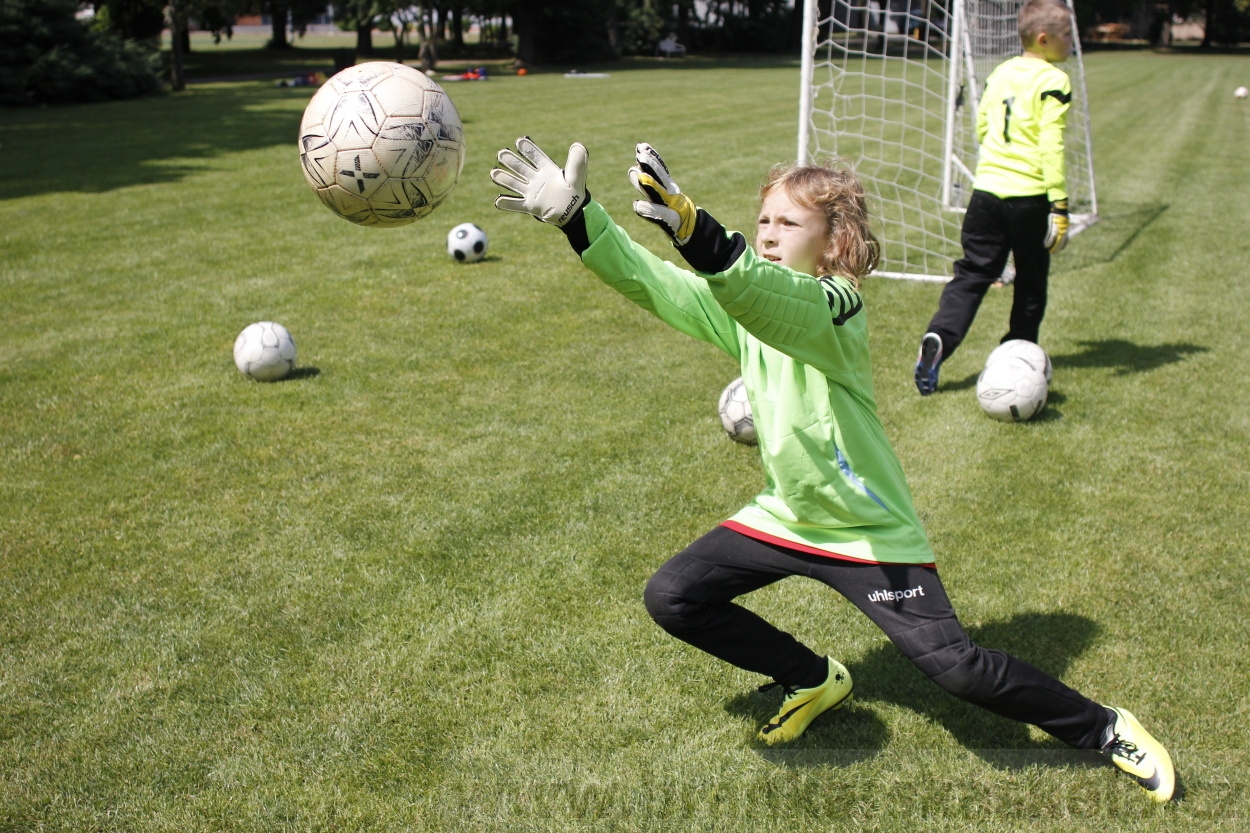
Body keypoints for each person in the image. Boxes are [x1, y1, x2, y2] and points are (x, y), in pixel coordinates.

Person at [489, 137, 1176, 803]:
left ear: (834, 241)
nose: (767, 231)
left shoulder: (837, 304)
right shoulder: (745, 308)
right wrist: (582, 220)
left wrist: (700, 231)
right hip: (787, 514)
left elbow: (769, 298)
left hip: (866, 531)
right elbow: (662, 286)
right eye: (762, 219)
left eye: (788, 221)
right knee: (674, 595)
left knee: (960, 670)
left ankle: (1107, 726)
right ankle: (811, 676)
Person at [915, 0, 1075, 395]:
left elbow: (984, 126)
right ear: (1044, 38)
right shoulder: (1054, 79)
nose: (1072, 41)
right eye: (1067, 34)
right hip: (1030, 197)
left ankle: (939, 337)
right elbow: (1051, 145)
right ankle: (1017, 356)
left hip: (985, 193)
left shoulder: (1000, 73)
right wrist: (1059, 204)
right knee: (1031, 280)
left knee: (971, 274)